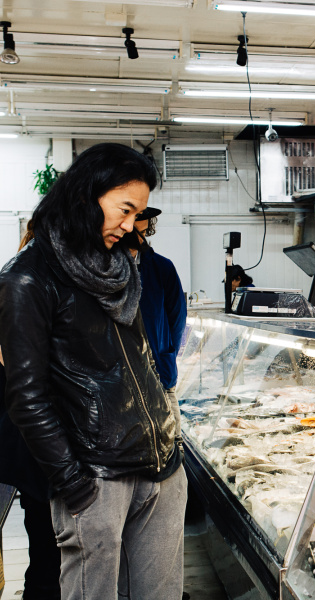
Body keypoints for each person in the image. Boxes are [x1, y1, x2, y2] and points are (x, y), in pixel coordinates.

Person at [0, 143, 186, 600]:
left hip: (161, 466)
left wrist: (169, 438)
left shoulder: (120, 267)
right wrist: (72, 483)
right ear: (87, 194)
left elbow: (141, 359)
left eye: (138, 213)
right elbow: (26, 395)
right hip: (96, 478)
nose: (130, 226)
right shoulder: (27, 278)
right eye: (125, 209)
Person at [0, 225, 61, 600]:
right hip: (30, 437)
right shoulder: (24, 284)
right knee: (46, 541)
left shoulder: (21, 278)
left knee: (42, 537)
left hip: (22, 436)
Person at [132, 206, 187, 443]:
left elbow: (177, 319)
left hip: (161, 375)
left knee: (173, 442)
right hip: (124, 383)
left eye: (143, 232)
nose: (140, 238)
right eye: (134, 232)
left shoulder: (162, 267)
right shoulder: (105, 269)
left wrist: (166, 353)